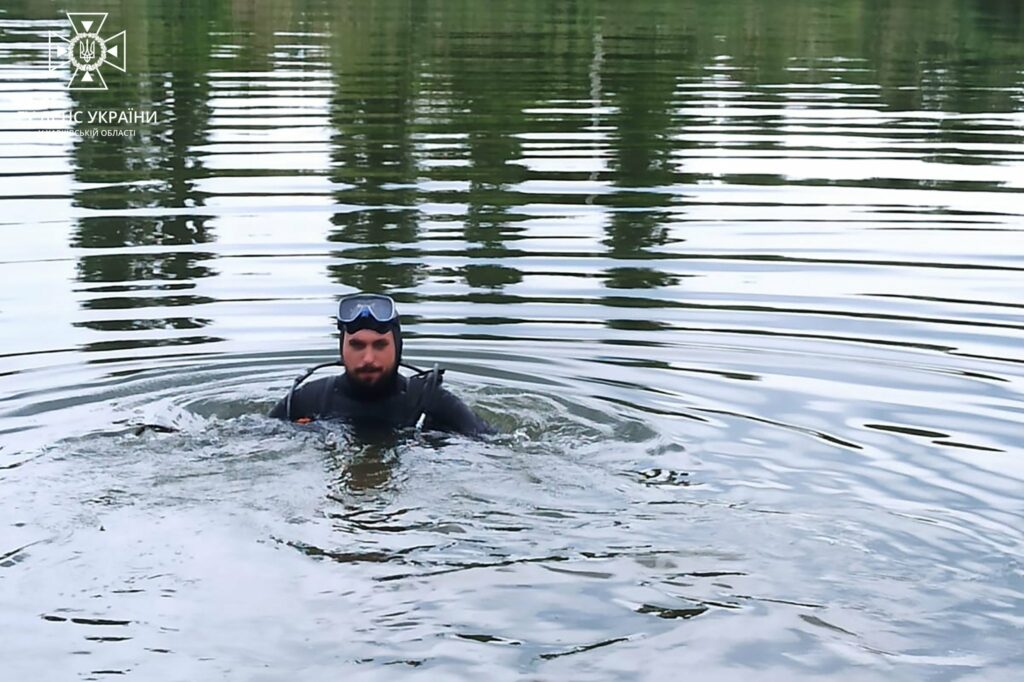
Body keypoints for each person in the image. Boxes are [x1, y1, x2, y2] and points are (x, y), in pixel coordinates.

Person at [269, 293, 494, 437]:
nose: (368, 358)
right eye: (357, 345)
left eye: (379, 345)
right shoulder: (306, 401)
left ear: (397, 346)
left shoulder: (431, 403)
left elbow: (494, 445)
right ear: (342, 348)